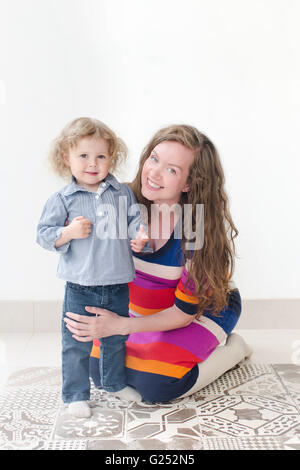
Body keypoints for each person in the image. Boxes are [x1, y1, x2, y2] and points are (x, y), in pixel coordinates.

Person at [64, 124, 252, 404]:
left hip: (204, 307)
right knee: (100, 373)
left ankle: (236, 350)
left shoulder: (193, 227)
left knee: (157, 386)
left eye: (172, 169)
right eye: (154, 158)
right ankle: (150, 341)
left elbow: (183, 313)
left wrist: (120, 327)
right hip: (144, 311)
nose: (153, 172)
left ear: (189, 183)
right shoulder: (120, 201)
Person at [36, 117, 149, 417]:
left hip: (117, 283)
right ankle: (75, 393)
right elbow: (43, 234)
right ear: (66, 158)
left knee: (116, 339)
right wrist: (68, 232)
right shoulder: (62, 199)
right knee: (76, 343)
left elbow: (135, 220)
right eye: (83, 156)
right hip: (80, 287)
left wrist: (140, 235)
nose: (92, 163)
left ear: (112, 158)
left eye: (101, 156)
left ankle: (114, 383)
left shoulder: (121, 193)